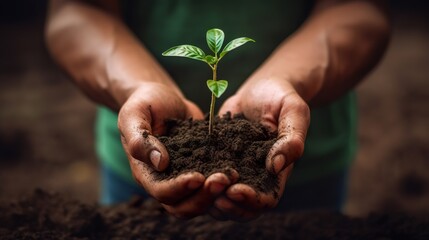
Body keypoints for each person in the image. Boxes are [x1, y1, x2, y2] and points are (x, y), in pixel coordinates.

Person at [45, 0, 390, 221]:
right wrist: (137, 89)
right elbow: (77, 9)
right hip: (146, 150)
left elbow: (360, 8)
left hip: (305, 163)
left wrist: (290, 80)